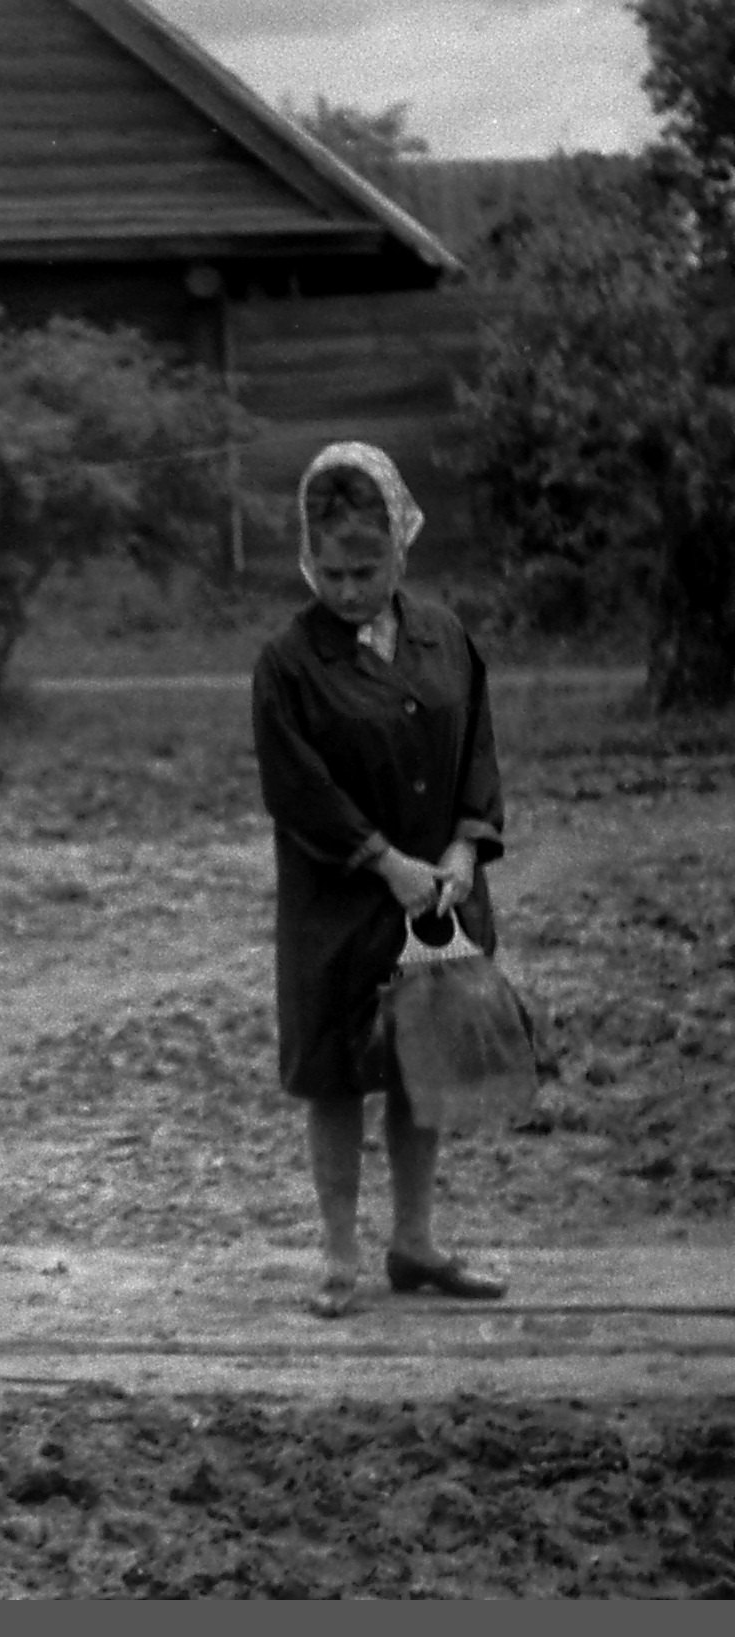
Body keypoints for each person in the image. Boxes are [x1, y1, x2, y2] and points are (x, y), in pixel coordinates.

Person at [251, 442, 511, 1321]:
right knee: (334, 1074)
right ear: (307, 560)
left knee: (421, 1064)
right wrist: (383, 861)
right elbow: (296, 786)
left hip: (436, 899)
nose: (348, 590)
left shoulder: (446, 637)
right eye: (330, 573)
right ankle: (339, 1256)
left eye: (366, 572)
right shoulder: (287, 663)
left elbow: (477, 751)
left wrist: (465, 851)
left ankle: (415, 1242)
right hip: (337, 903)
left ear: (401, 549)